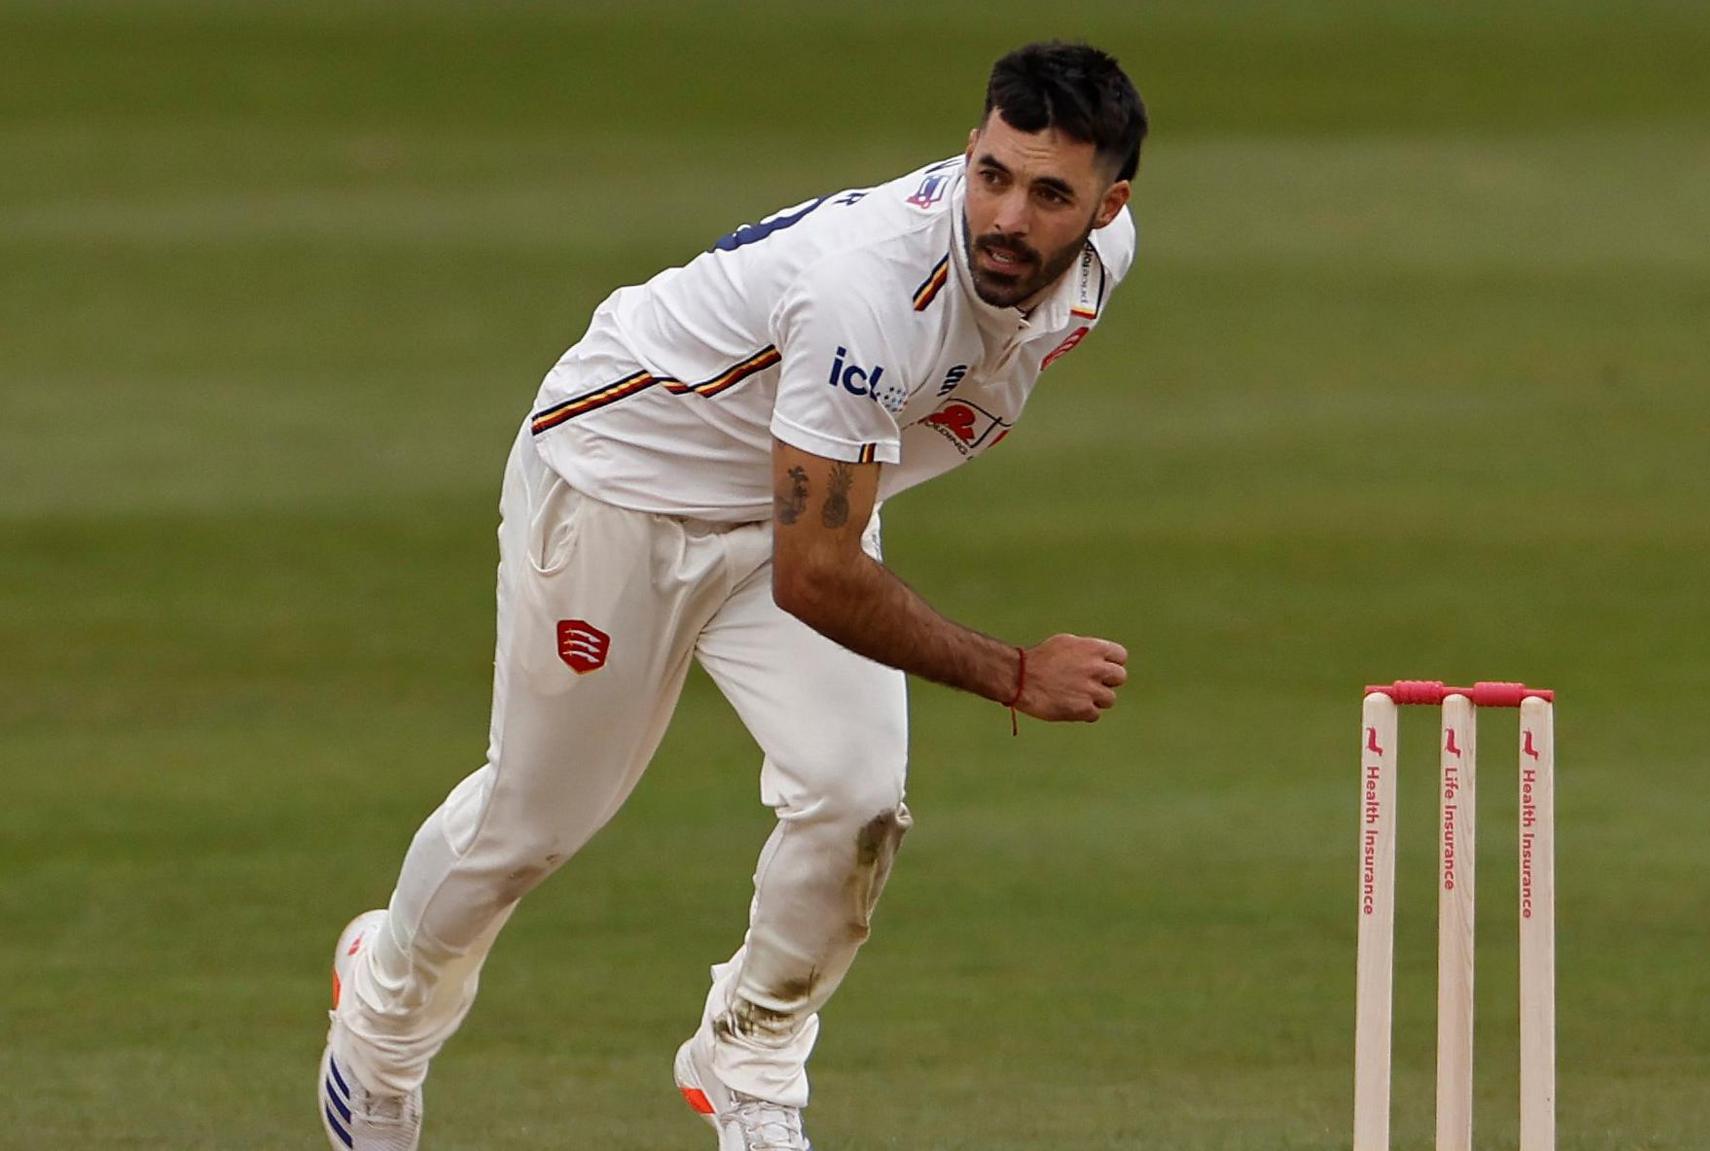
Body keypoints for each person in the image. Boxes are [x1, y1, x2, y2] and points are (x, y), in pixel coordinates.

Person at [318, 40, 1148, 1151]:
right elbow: (819, 576)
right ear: (968, 150)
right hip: (620, 489)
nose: (1007, 215)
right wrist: (1010, 671)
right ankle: (379, 1023)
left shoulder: (1098, 264)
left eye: (1050, 193)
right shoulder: (868, 291)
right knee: (534, 822)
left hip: (793, 498)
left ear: (1108, 205)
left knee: (854, 796)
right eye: (992, 174)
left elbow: (828, 520)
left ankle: (748, 1056)